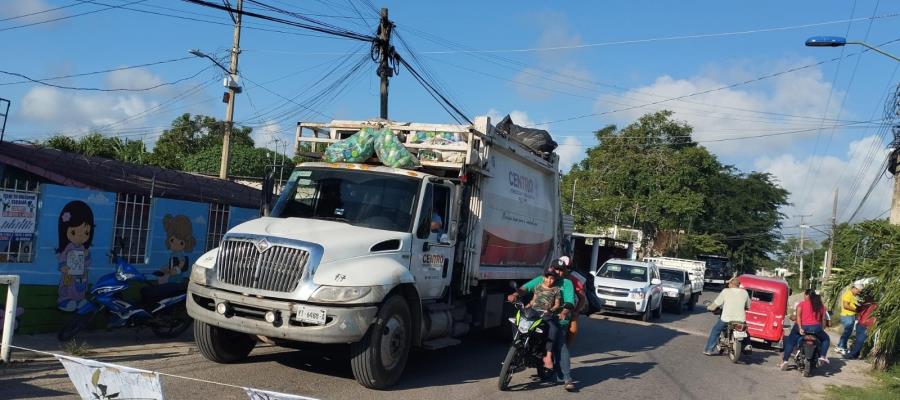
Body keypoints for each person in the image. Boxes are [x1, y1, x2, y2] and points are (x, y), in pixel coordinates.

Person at [507, 259, 576, 391]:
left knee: (560, 345)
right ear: (550, 269)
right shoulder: (541, 279)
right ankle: (518, 352)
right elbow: (525, 289)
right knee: (517, 322)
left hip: (556, 318)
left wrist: (564, 312)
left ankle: (567, 378)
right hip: (536, 316)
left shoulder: (566, 283)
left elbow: (569, 302)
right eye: (556, 269)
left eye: (562, 270)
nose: (559, 272)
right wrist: (515, 295)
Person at [779, 289, 830, 369]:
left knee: (790, 341)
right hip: (816, 328)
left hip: (803, 327)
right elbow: (823, 320)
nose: (804, 297)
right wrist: (821, 330)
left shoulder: (801, 304)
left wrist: (800, 328)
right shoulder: (820, 306)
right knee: (826, 339)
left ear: (807, 295)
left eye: (804, 295)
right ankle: (822, 356)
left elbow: (798, 317)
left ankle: (785, 361)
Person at [704, 277, 750, 356]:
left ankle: (709, 350)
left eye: (729, 283)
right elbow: (748, 306)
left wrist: (709, 307)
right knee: (746, 332)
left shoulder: (725, 291)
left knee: (716, 331)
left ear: (731, 284)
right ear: (738, 285)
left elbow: (716, 304)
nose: (728, 285)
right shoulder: (745, 292)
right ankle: (747, 346)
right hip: (740, 319)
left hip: (726, 319)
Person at [526, 271, 562, 370]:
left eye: (552, 279)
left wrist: (550, 310)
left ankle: (548, 356)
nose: (550, 281)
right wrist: (527, 306)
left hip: (546, 314)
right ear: (544, 278)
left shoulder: (556, 289)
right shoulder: (538, 287)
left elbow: (557, 304)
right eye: (548, 278)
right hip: (534, 313)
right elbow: (534, 300)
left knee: (553, 329)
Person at [846, 295, 877, 360]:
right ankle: (855, 355)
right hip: (860, 324)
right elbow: (858, 311)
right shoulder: (864, 304)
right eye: (866, 297)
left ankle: (851, 354)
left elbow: (877, 316)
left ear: (872, 298)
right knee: (858, 340)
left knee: (860, 340)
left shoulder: (876, 306)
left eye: (868, 297)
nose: (866, 298)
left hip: (867, 326)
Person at [836, 284, 863, 354]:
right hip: (847, 315)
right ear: (855, 288)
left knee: (848, 332)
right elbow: (845, 305)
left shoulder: (852, 295)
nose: (859, 293)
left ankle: (842, 346)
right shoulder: (848, 294)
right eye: (858, 291)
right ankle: (840, 346)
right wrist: (856, 310)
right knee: (847, 332)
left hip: (851, 316)